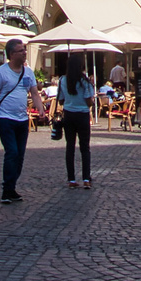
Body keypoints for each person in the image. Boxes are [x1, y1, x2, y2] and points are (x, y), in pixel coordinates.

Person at [0, 38, 36, 203]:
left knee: (20, 155)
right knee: (12, 152)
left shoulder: (28, 72)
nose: (24, 53)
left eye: (24, 50)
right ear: (12, 54)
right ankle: (7, 190)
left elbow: (34, 92)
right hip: (5, 118)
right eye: (21, 50)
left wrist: (41, 108)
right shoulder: (1, 72)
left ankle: (12, 187)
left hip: (22, 119)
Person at [57, 52, 95, 188]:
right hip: (83, 115)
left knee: (70, 147)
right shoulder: (85, 81)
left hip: (68, 114)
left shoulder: (62, 80)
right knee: (85, 148)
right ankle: (86, 178)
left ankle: (71, 179)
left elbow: (61, 100)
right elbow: (89, 102)